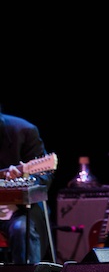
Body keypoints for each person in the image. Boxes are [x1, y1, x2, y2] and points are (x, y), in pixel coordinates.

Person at [0, 109, 54, 264]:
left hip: (18, 212)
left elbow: (44, 177)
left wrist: (24, 178)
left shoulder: (24, 131)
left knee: (21, 229)